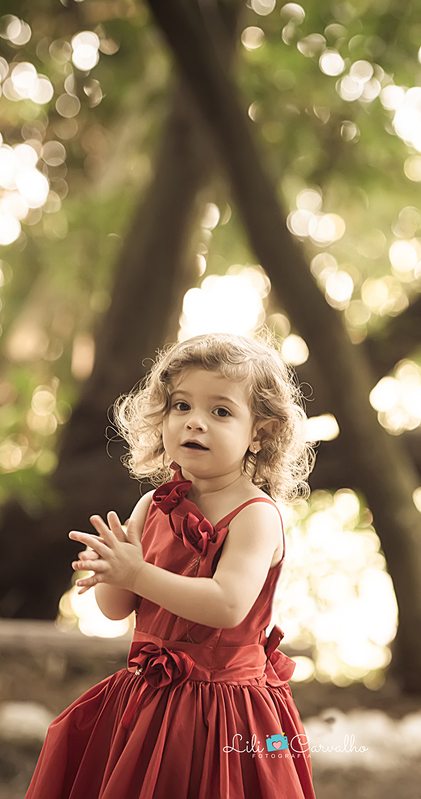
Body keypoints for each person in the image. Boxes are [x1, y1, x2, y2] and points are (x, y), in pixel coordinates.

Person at [25, 332, 317, 798]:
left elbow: (227, 605)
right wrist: (113, 570)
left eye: (220, 411)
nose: (194, 422)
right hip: (147, 702)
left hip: (223, 713)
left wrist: (139, 573)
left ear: (259, 433)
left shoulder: (256, 515)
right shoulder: (153, 505)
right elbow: (117, 609)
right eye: (181, 406)